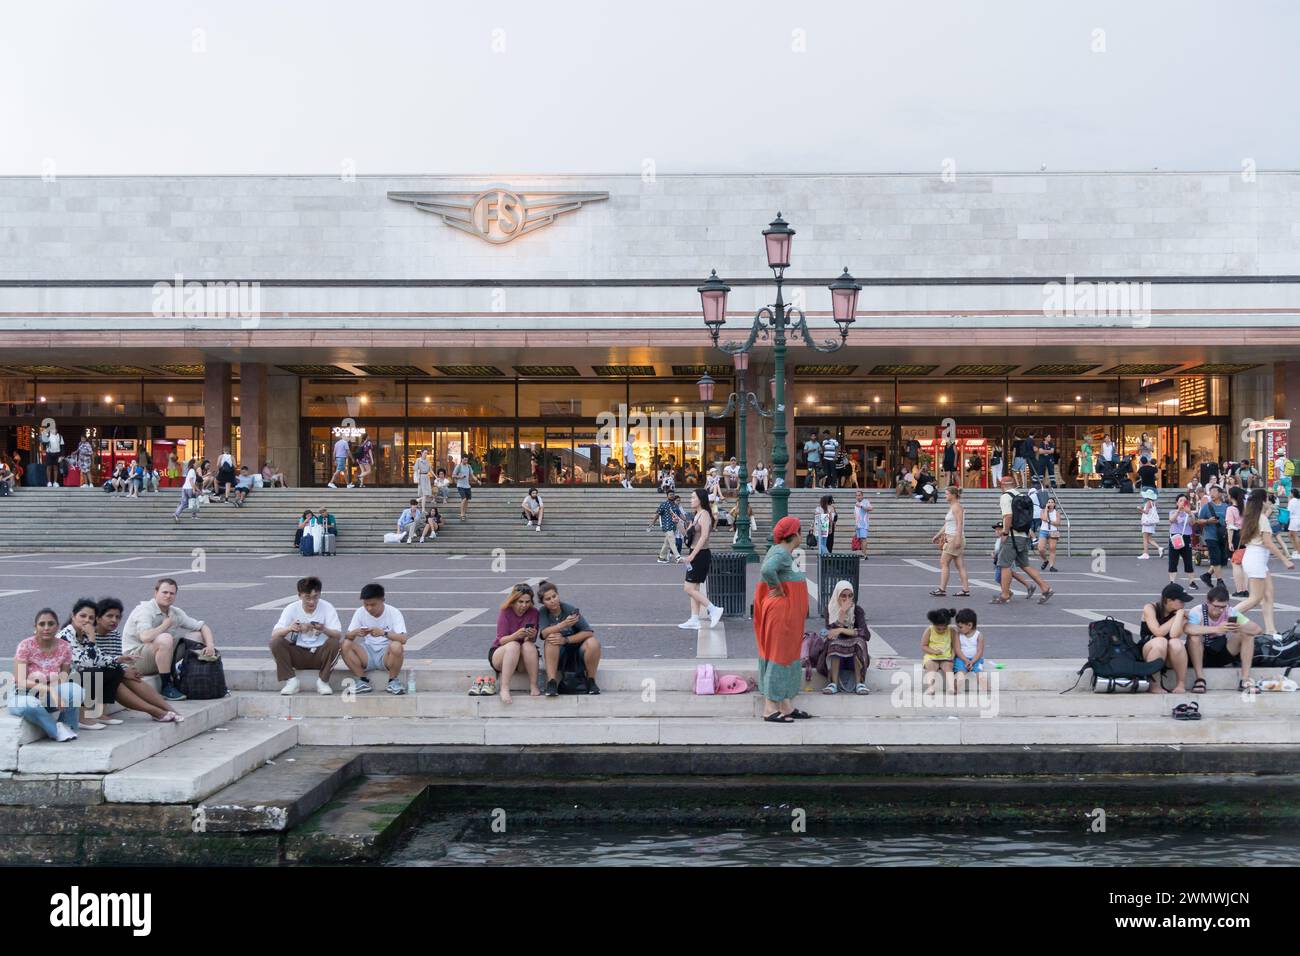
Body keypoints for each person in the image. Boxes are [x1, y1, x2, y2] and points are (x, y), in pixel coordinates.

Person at [121, 578, 219, 701]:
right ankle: (166, 686)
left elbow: (202, 626)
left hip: (158, 653)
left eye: (172, 593)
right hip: (136, 659)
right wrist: (165, 625)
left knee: (196, 636)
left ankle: (188, 674)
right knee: (165, 638)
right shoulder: (145, 610)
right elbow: (145, 637)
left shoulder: (174, 612)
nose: (168, 596)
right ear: (155, 593)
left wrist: (210, 645)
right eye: (164, 592)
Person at [753, 516, 812, 722]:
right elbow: (767, 570)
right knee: (779, 657)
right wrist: (777, 587)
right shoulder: (780, 552)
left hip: (788, 617)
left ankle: (785, 705)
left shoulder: (782, 552)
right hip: (781, 615)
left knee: (786, 657)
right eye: (800, 530)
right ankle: (770, 708)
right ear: (795, 533)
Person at [89, 596, 180, 722]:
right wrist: (122, 671)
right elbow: (93, 661)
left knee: (132, 678)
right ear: (98, 618)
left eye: (118, 617)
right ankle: (154, 711)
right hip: (91, 676)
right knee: (117, 677)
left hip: (108, 672)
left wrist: (126, 669)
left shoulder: (114, 635)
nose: (114, 620)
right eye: (109, 616)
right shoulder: (90, 635)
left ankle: (169, 709)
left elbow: (116, 658)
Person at [9, 608, 84, 741]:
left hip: (48, 696)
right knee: (29, 705)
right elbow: (20, 681)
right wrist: (50, 690)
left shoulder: (64, 647)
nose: (46, 628)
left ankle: (67, 726)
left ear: (57, 626)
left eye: (51, 624)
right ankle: (57, 730)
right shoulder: (25, 645)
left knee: (77, 691)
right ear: (35, 627)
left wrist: (57, 692)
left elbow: (64, 677)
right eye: (42, 624)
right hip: (23, 694)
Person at [1234, 488, 1296, 637]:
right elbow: (1268, 543)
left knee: (1268, 594)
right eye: (1267, 499)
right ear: (1262, 501)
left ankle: (1271, 630)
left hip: (1255, 558)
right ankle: (1227, 616)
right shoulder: (1261, 519)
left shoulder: (1253, 517)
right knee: (1255, 598)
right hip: (1256, 558)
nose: (1269, 502)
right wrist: (1285, 560)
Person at [269, 576, 343, 696]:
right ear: (299, 595)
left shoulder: (327, 607)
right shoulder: (291, 608)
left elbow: (338, 634)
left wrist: (324, 629)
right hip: (298, 654)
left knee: (335, 642)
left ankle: (323, 681)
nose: (312, 602)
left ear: (320, 594)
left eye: (315, 597)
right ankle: (291, 681)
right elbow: (274, 634)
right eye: (307, 597)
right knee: (276, 642)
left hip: (320, 653)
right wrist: (290, 628)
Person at [992, 474, 1054, 605]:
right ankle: (1045, 588)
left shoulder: (1005, 497)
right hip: (1024, 535)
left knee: (1004, 564)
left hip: (1012, 536)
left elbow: (1008, 516)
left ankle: (1004, 594)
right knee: (1025, 565)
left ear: (1003, 485)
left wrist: (1005, 532)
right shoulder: (1021, 496)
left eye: (1000, 485)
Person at [536, 580, 601, 696]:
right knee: (551, 638)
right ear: (543, 602)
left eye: (554, 596)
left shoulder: (569, 609)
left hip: (576, 651)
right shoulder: (543, 612)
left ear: (558, 595)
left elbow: (588, 632)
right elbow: (544, 634)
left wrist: (566, 640)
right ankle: (552, 683)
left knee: (593, 643)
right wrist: (563, 624)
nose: (552, 601)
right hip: (558, 654)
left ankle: (591, 681)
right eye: (548, 599)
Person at [340, 583, 407, 695]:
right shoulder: (360, 612)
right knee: (345, 644)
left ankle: (393, 681)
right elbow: (347, 636)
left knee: (396, 646)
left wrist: (384, 633)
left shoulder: (393, 612)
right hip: (367, 653)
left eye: (373, 604)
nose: (369, 608)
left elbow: (403, 638)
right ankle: (362, 680)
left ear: (382, 600)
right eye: (366, 604)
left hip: (386, 654)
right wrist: (355, 633)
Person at [678, 488, 724, 629]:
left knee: (688, 588)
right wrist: (677, 523)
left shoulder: (704, 514)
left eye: (693, 497)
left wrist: (691, 556)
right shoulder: (697, 515)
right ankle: (694, 619)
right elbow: (687, 535)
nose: (691, 500)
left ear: (700, 499)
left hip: (700, 554)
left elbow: (704, 537)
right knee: (694, 588)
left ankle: (713, 609)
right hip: (696, 552)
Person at [490, 583, 542, 704]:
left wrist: (531, 636)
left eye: (527, 602)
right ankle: (504, 688)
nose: (524, 605)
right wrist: (515, 636)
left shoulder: (534, 612)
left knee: (528, 645)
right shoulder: (505, 611)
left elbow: (530, 642)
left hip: (521, 657)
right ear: (514, 600)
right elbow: (501, 640)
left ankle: (533, 685)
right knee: (514, 645)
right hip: (502, 653)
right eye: (520, 602)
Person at [1138, 582, 1192, 694]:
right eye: (1181, 601)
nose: (1183, 605)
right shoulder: (1150, 608)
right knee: (1160, 641)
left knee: (1176, 643)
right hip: (1150, 651)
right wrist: (1176, 617)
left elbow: (1174, 635)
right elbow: (1158, 632)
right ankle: (1154, 685)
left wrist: (1179, 618)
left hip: (1168, 655)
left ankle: (1181, 684)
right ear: (1168, 600)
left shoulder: (1179, 614)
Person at [821, 580, 870, 695]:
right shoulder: (830, 609)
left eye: (850, 596)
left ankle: (859, 683)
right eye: (843, 596)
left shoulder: (857, 610)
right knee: (835, 643)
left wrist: (842, 629)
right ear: (837, 596)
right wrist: (842, 613)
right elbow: (829, 633)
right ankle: (833, 683)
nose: (847, 599)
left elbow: (865, 634)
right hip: (837, 652)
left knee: (859, 642)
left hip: (853, 652)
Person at [931, 486, 971, 596]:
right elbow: (948, 524)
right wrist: (938, 535)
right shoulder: (953, 506)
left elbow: (959, 523)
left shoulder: (956, 507)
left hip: (954, 538)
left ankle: (942, 589)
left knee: (944, 562)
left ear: (953, 495)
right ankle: (965, 589)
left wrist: (957, 539)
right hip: (953, 536)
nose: (945, 496)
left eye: (947, 494)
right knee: (959, 565)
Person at [1195, 484, 1229, 591]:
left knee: (1222, 560)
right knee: (1216, 558)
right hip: (1210, 536)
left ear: (1220, 493)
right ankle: (1220, 581)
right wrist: (1208, 521)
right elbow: (1199, 520)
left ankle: (1207, 575)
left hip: (1223, 536)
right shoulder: (1207, 506)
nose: (1212, 494)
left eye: (1214, 491)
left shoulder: (1226, 506)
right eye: (1211, 492)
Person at [1167, 493, 1200, 593]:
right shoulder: (1172, 512)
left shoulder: (1189, 513)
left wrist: (1189, 513)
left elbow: (1193, 523)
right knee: (1173, 560)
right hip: (1175, 537)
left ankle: (1192, 582)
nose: (1182, 502)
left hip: (1185, 537)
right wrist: (1178, 511)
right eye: (1180, 500)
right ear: (1177, 502)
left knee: (1188, 560)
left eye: (1184, 501)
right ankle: (1172, 582)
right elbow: (1171, 520)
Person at [921, 607, 957, 695]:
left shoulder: (951, 631)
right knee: (931, 667)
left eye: (944, 628)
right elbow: (923, 645)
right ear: (934, 624)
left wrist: (953, 655)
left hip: (946, 657)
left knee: (948, 668)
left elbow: (955, 646)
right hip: (932, 656)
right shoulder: (929, 630)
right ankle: (930, 687)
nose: (941, 630)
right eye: (938, 628)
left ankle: (951, 687)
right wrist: (933, 651)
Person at [952, 607, 988, 691]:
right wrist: (966, 661)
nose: (958, 629)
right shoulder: (958, 635)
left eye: (960, 627)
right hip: (961, 659)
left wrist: (972, 662)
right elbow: (958, 650)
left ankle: (987, 691)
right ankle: (954, 688)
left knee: (980, 675)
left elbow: (979, 651)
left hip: (976, 660)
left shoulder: (979, 635)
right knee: (960, 675)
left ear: (969, 625)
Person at [1226, 486, 1247, 597]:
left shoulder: (1230, 509)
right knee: (1244, 564)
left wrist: (1229, 542)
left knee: (1235, 563)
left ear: (1231, 496)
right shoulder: (1245, 507)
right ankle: (1245, 589)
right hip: (1245, 535)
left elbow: (1230, 526)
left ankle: (1240, 590)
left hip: (1235, 536)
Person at [1037, 497, 1061, 572]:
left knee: (1052, 548)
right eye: (1049, 502)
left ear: (1054, 504)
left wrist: (1049, 521)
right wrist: (1046, 510)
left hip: (1053, 531)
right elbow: (1043, 518)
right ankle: (1045, 560)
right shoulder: (1043, 511)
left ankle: (1051, 566)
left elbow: (1058, 523)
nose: (1050, 503)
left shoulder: (1056, 513)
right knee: (1040, 548)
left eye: (1052, 502)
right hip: (1044, 530)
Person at [452, 456, 477, 521]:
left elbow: (472, 474)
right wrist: (460, 477)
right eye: (465, 460)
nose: (466, 461)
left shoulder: (469, 466)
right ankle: (462, 514)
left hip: (467, 486)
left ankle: (464, 513)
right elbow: (453, 475)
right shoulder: (458, 466)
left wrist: (477, 480)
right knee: (464, 499)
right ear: (462, 459)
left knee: (467, 500)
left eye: (467, 460)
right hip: (460, 485)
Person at [853, 489, 872, 559]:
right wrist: (855, 524)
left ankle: (865, 555)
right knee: (860, 539)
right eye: (856, 495)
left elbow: (870, 508)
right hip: (858, 525)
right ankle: (863, 553)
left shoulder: (865, 501)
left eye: (859, 495)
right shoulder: (856, 504)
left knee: (864, 539)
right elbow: (856, 515)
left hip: (864, 524)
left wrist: (861, 506)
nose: (858, 497)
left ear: (862, 496)